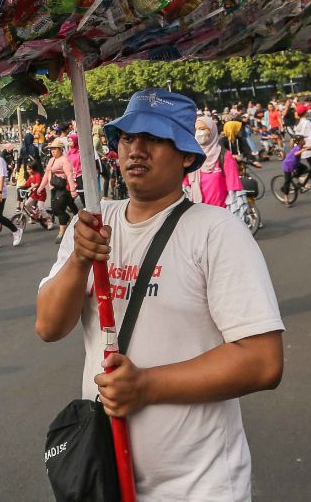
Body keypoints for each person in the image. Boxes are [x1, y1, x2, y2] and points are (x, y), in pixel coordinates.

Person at [37, 89, 284, 501]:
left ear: (187, 155)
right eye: (129, 137)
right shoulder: (95, 224)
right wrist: (80, 258)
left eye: (154, 139)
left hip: (200, 486)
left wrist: (148, 385)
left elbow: (263, 362)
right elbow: (48, 326)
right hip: (106, 477)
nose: (137, 149)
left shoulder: (216, 231)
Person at [182, 116, 244, 221]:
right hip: (198, 216)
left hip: (220, 216)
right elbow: (185, 187)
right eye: (196, 129)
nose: (198, 133)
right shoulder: (190, 157)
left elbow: (234, 188)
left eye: (202, 129)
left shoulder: (224, 156)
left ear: (212, 131)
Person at [41, 140, 77, 243]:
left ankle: (62, 233)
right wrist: (41, 187)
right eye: (51, 149)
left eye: (55, 149)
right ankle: (70, 218)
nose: (53, 151)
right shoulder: (51, 160)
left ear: (61, 149)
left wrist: (73, 189)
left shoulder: (64, 160)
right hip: (53, 189)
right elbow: (46, 175)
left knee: (59, 209)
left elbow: (69, 175)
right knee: (55, 210)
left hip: (62, 189)